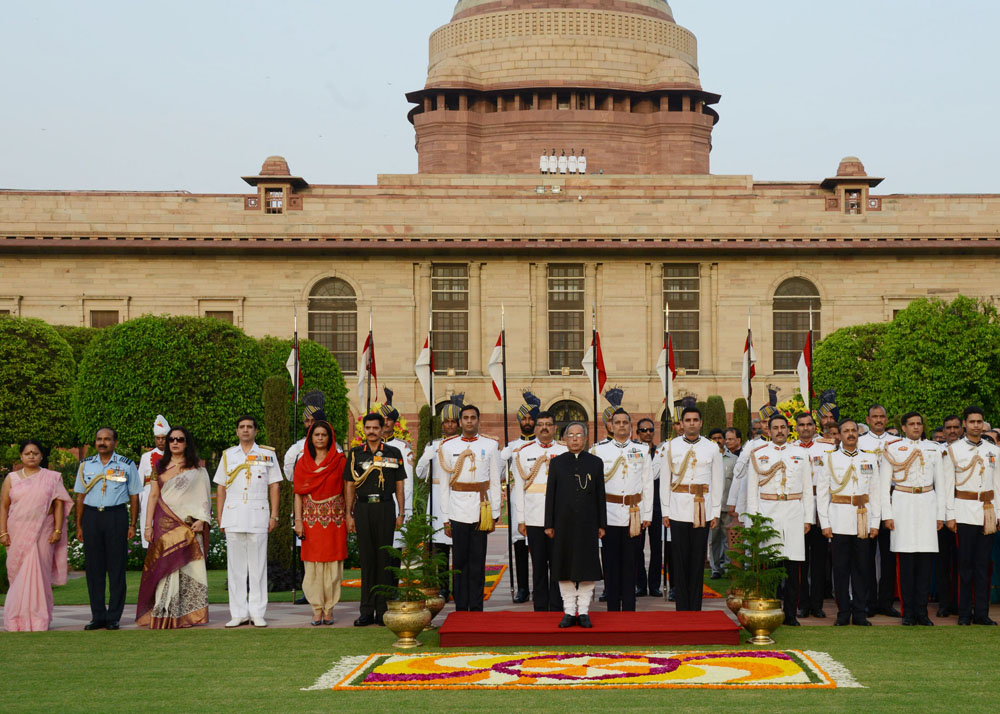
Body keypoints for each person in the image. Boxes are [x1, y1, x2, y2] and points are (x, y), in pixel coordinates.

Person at [136, 426, 211, 629]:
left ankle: (187, 616)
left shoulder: (196, 468)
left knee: (189, 569)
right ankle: (164, 612)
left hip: (188, 525)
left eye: (180, 439)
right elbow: (152, 496)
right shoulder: (159, 467)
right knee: (164, 567)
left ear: (187, 442)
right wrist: (147, 526)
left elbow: (204, 496)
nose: (175, 443)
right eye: (172, 440)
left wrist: (203, 520)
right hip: (164, 524)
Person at [213, 415, 283, 628]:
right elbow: (221, 487)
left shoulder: (266, 454)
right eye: (242, 427)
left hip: (258, 513)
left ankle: (257, 612)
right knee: (235, 568)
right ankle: (238, 613)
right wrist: (220, 516)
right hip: (233, 514)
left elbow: (274, 486)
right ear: (237, 431)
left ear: (256, 431)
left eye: (249, 427)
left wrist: (274, 515)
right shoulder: (228, 455)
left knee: (258, 566)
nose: (245, 430)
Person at [746, 414, 815, 626]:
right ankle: (771, 610)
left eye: (783, 427)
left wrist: (808, 519)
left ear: (788, 429)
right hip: (768, 511)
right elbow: (751, 490)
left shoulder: (801, 454)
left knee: (793, 567)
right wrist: (753, 522)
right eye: (775, 427)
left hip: (794, 511)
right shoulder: (759, 454)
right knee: (771, 566)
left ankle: (791, 614)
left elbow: (806, 488)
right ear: (768, 431)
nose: (779, 431)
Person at [74, 427, 141, 631]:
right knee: (94, 570)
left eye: (107, 439)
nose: (102, 442)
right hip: (92, 516)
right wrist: (79, 524)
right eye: (99, 439)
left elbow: (134, 495)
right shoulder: (85, 465)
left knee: (116, 568)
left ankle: (113, 617)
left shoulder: (126, 465)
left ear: (115, 443)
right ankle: (98, 616)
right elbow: (80, 496)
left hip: (116, 516)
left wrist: (132, 524)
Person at [880, 412, 944, 626]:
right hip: (903, 503)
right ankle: (908, 612)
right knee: (905, 562)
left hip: (927, 502)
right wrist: (887, 515)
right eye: (912, 424)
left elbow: (941, 484)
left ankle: (922, 612)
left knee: (925, 562)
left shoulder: (934, 448)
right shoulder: (893, 448)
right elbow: (883, 484)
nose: (916, 427)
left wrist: (941, 515)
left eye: (919, 424)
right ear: (904, 428)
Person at [1, 441, 72, 631]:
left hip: (44, 531)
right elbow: (4, 506)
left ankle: (39, 619)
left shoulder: (51, 477)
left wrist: (57, 530)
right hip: (17, 530)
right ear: (21, 457)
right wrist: (3, 532)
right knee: (18, 575)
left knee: (39, 574)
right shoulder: (11, 478)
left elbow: (59, 504)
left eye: (35, 453)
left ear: (41, 456)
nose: (31, 456)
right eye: (27, 453)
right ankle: (16, 619)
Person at [816, 419, 881, 626]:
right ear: (839, 435)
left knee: (862, 569)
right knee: (841, 569)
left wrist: (875, 522)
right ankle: (843, 612)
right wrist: (825, 522)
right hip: (839, 519)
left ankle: (860, 613)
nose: (850, 434)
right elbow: (822, 494)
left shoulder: (869, 459)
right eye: (846, 431)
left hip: (863, 519)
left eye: (854, 430)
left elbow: (875, 492)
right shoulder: (830, 459)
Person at [345, 412, 406, 626]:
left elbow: (399, 485)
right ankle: (366, 610)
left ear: (383, 429)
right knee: (367, 560)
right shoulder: (355, 454)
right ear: (363, 430)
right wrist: (348, 514)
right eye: (368, 428)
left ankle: (382, 610)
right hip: (362, 509)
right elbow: (350, 485)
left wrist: (401, 512)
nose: (371, 432)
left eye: (375, 428)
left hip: (385, 508)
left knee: (384, 560)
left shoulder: (393, 452)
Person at [440, 404, 502, 612]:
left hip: (480, 508)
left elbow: (494, 480)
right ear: (459, 422)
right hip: (457, 509)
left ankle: (476, 607)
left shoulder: (490, 446)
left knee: (477, 561)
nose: (469, 421)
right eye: (465, 418)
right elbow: (444, 484)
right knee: (459, 562)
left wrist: (494, 513)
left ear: (478, 420)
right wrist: (445, 517)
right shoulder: (448, 447)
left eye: (472, 417)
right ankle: (460, 605)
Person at [661, 405, 723, 612]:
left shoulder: (712, 447)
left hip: (702, 509)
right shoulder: (671, 447)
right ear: (682, 424)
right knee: (678, 559)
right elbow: (665, 481)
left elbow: (718, 481)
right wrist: (666, 511)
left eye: (695, 420)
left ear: (701, 423)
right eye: (687, 420)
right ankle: (682, 607)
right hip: (678, 507)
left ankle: (695, 607)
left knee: (698, 559)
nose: (692, 423)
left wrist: (715, 512)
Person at [545, 422, 606, 628]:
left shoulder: (595, 463)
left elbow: (600, 496)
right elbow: (550, 496)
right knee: (564, 567)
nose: (575, 438)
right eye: (570, 435)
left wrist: (602, 524)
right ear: (565, 438)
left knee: (587, 567)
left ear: (585, 438)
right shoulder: (557, 463)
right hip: (563, 524)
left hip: (588, 524)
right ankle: (569, 611)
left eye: (579, 435)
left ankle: (585, 611)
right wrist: (549, 524)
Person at [592, 407, 653, 612]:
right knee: (610, 563)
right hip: (608, 513)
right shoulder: (599, 450)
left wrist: (648, 515)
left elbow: (647, 486)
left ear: (630, 426)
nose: (621, 426)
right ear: (610, 426)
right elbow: (595, 489)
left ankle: (629, 608)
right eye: (617, 422)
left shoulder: (642, 450)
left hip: (633, 514)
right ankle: (611, 607)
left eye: (624, 423)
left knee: (631, 564)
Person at [943, 406, 999, 626]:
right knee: (965, 565)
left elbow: (998, 484)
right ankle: (964, 613)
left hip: (987, 511)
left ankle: (982, 613)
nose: (976, 425)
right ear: (965, 424)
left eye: (980, 421)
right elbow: (948, 486)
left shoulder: (993, 450)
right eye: (972, 421)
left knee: (983, 565)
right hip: (964, 510)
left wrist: (998, 512)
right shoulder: (953, 450)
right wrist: (950, 515)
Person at [293, 420, 348, 626]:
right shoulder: (303, 462)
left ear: (330, 437)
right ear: (310, 437)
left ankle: (329, 609)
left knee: (333, 566)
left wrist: (349, 515)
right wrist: (298, 520)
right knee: (313, 566)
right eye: (316, 434)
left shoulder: (340, 460)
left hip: (334, 520)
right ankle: (316, 609)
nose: (320, 438)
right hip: (310, 520)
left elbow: (347, 489)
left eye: (324, 434)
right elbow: (298, 494)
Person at [513, 410, 567, 611]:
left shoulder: (564, 451)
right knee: (538, 565)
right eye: (541, 424)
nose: (544, 427)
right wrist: (521, 519)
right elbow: (519, 488)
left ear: (554, 428)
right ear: (536, 428)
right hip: (534, 516)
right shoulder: (523, 452)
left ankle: (557, 605)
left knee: (558, 563)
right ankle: (540, 607)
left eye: (549, 424)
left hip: (558, 517)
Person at [416, 394, 463, 601]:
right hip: (437, 497)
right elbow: (419, 473)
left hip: (459, 495)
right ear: (442, 424)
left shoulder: (464, 444)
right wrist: (427, 456)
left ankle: (460, 586)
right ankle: (444, 587)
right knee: (440, 548)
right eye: (447, 422)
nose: (450, 425)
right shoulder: (433, 445)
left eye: (453, 421)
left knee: (459, 547)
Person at [859, 404, 900, 619]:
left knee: (889, 556)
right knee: (865, 555)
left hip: (892, 503)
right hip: (868, 504)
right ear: (867, 419)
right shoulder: (859, 442)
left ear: (886, 419)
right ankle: (868, 601)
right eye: (874, 416)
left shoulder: (897, 443)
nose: (878, 420)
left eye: (881, 416)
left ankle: (885, 602)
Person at [500, 390, 540, 603]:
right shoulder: (512, 447)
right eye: (523, 418)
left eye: (530, 418)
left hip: (539, 503)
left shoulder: (543, 446)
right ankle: (522, 587)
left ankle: (541, 587)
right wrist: (502, 457)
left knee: (540, 550)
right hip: (518, 502)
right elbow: (498, 473)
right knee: (519, 546)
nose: (527, 421)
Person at [794, 412, 835, 619]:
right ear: (796, 428)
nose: (805, 428)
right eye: (801, 425)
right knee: (801, 560)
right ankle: (802, 603)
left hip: (821, 505)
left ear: (815, 427)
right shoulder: (791, 449)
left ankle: (817, 604)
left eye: (809, 424)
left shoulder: (827, 448)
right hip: (799, 506)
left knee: (819, 561)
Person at [380, 388, 415, 568]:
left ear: (394, 422)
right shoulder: (366, 447)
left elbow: (407, 483)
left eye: (389, 419)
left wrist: (402, 511)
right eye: (382, 419)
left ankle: (392, 590)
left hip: (395, 505)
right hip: (375, 507)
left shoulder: (403, 447)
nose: (385, 423)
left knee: (394, 551)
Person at [935, 414, 963, 618]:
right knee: (943, 562)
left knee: (964, 562)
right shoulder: (937, 452)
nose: (952, 431)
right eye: (948, 428)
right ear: (943, 431)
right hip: (940, 513)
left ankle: (962, 603)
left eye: (955, 427)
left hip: (964, 512)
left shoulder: (967, 450)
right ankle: (944, 604)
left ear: (961, 429)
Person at [633, 417, 663, 597]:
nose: (647, 433)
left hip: (658, 505)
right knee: (637, 547)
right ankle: (640, 584)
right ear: (637, 433)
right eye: (643, 430)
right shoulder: (633, 452)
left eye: (650, 430)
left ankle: (655, 585)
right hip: (638, 505)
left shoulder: (661, 452)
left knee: (656, 548)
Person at [709, 427, 739, 579]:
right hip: (712, 508)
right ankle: (715, 568)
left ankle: (728, 567)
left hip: (728, 507)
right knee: (713, 540)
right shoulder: (706, 459)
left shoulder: (734, 460)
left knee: (728, 539)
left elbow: (736, 485)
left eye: (720, 438)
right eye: (714, 438)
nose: (718, 440)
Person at [137, 415, 170, 548]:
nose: (161, 441)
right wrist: (140, 504)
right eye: (158, 438)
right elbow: (139, 483)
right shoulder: (146, 457)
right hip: (150, 496)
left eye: (163, 438)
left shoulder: (176, 455)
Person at [283, 390, 326, 479]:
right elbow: (290, 476)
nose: (310, 424)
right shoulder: (296, 449)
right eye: (307, 421)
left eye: (313, 420)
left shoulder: (335, 448)